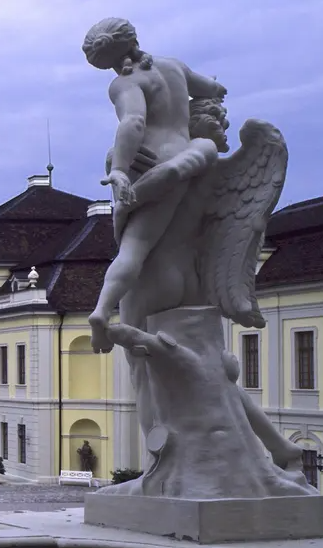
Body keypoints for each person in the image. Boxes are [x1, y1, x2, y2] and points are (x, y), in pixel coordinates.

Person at [81, 18, 226, 354]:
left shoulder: (124, 82)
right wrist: (217, 91)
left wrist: (118, 168)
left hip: (150, 163)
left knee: (136, 246)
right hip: (180, 155)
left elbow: (134, 121)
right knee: (144, 244)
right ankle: (105, 311)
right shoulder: (174, 67)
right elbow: (211, 89)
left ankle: (102, 310)